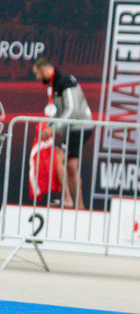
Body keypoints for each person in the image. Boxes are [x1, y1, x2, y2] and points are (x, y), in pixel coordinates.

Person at [32, 57, 92, 209]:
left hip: (80, 126)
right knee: (71, 166)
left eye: (38, 74)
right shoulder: (53, 85)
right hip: (73, 127)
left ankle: (68, 199)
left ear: (44, 69)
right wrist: (50, 125)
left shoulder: (65, 81)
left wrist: (54, 127)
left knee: (58, 157)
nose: (38, 78)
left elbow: (72, 109)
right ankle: (79, 205)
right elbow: (56, 111)